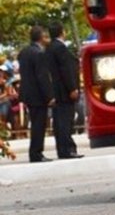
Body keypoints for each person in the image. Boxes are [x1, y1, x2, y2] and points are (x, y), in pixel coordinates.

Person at [46, 21, 83, 159]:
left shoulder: (49, 48)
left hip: (57, 90)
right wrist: (72, 88)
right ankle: (68, 149)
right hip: (64, 91)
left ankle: (63, 149)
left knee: (59, 121)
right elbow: (65, 70)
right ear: (62, 32)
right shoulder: (60, 48)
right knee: (65, 121)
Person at [18, 25, 55, 162]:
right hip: (38, 95)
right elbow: (42, 77)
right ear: (41, 37)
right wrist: (49, 96)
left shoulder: (24, 52)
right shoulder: (39, 53)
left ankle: (35, 152)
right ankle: (36, 153)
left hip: (27, 93)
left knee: (35, 123)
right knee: (39, 125)